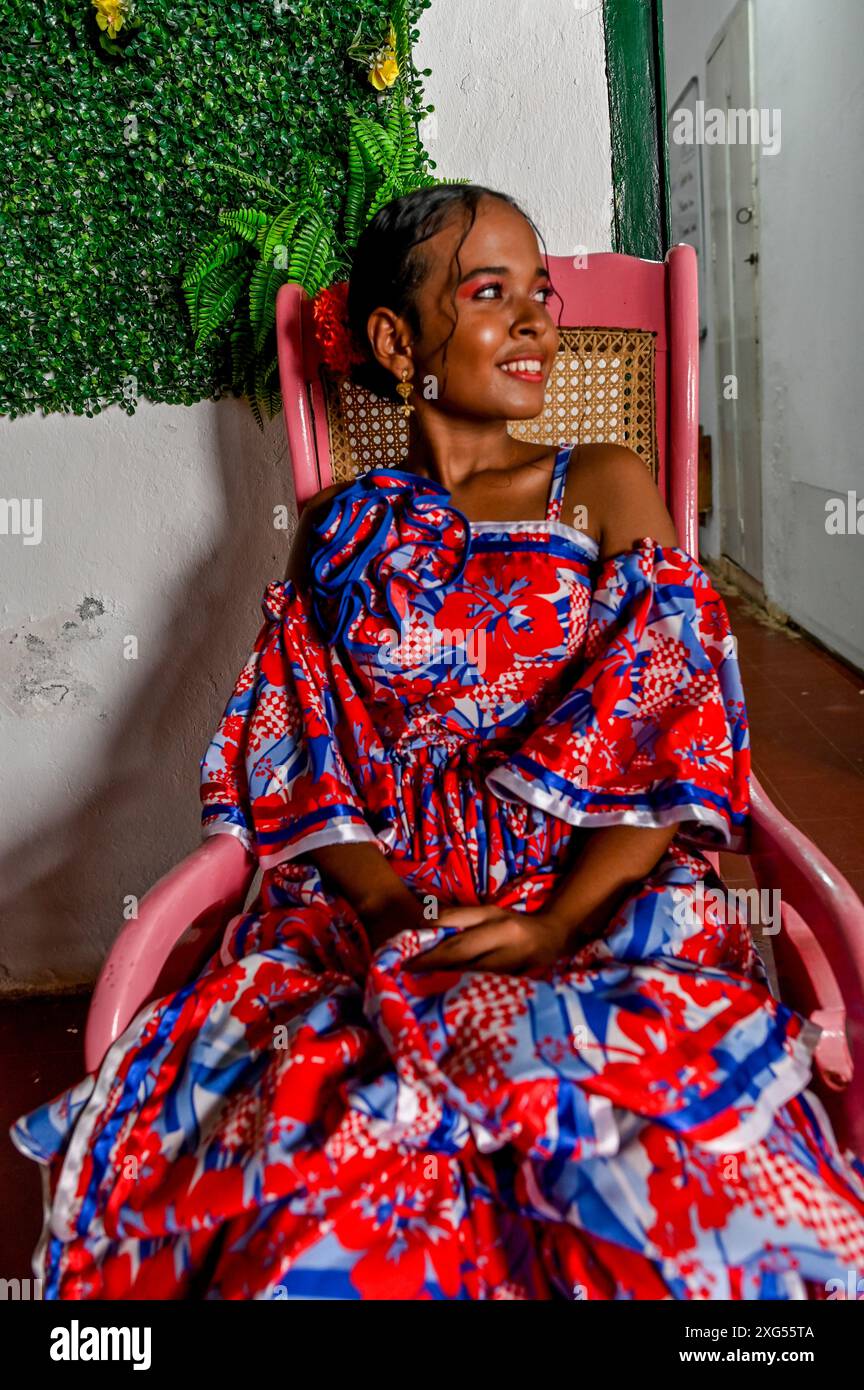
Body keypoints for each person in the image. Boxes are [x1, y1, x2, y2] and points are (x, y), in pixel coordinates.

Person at [11, 184, 864, 1300]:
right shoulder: (344, 525)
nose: (537, 321)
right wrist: (393, 915)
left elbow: (672, 714)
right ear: (394, 339)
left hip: (595, 888)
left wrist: (555, 920)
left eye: (543, 295)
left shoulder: (601, 485)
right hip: (384, 897)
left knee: (660, 1157)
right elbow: (300, 740)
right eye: (489, 292)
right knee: (328, 1149)